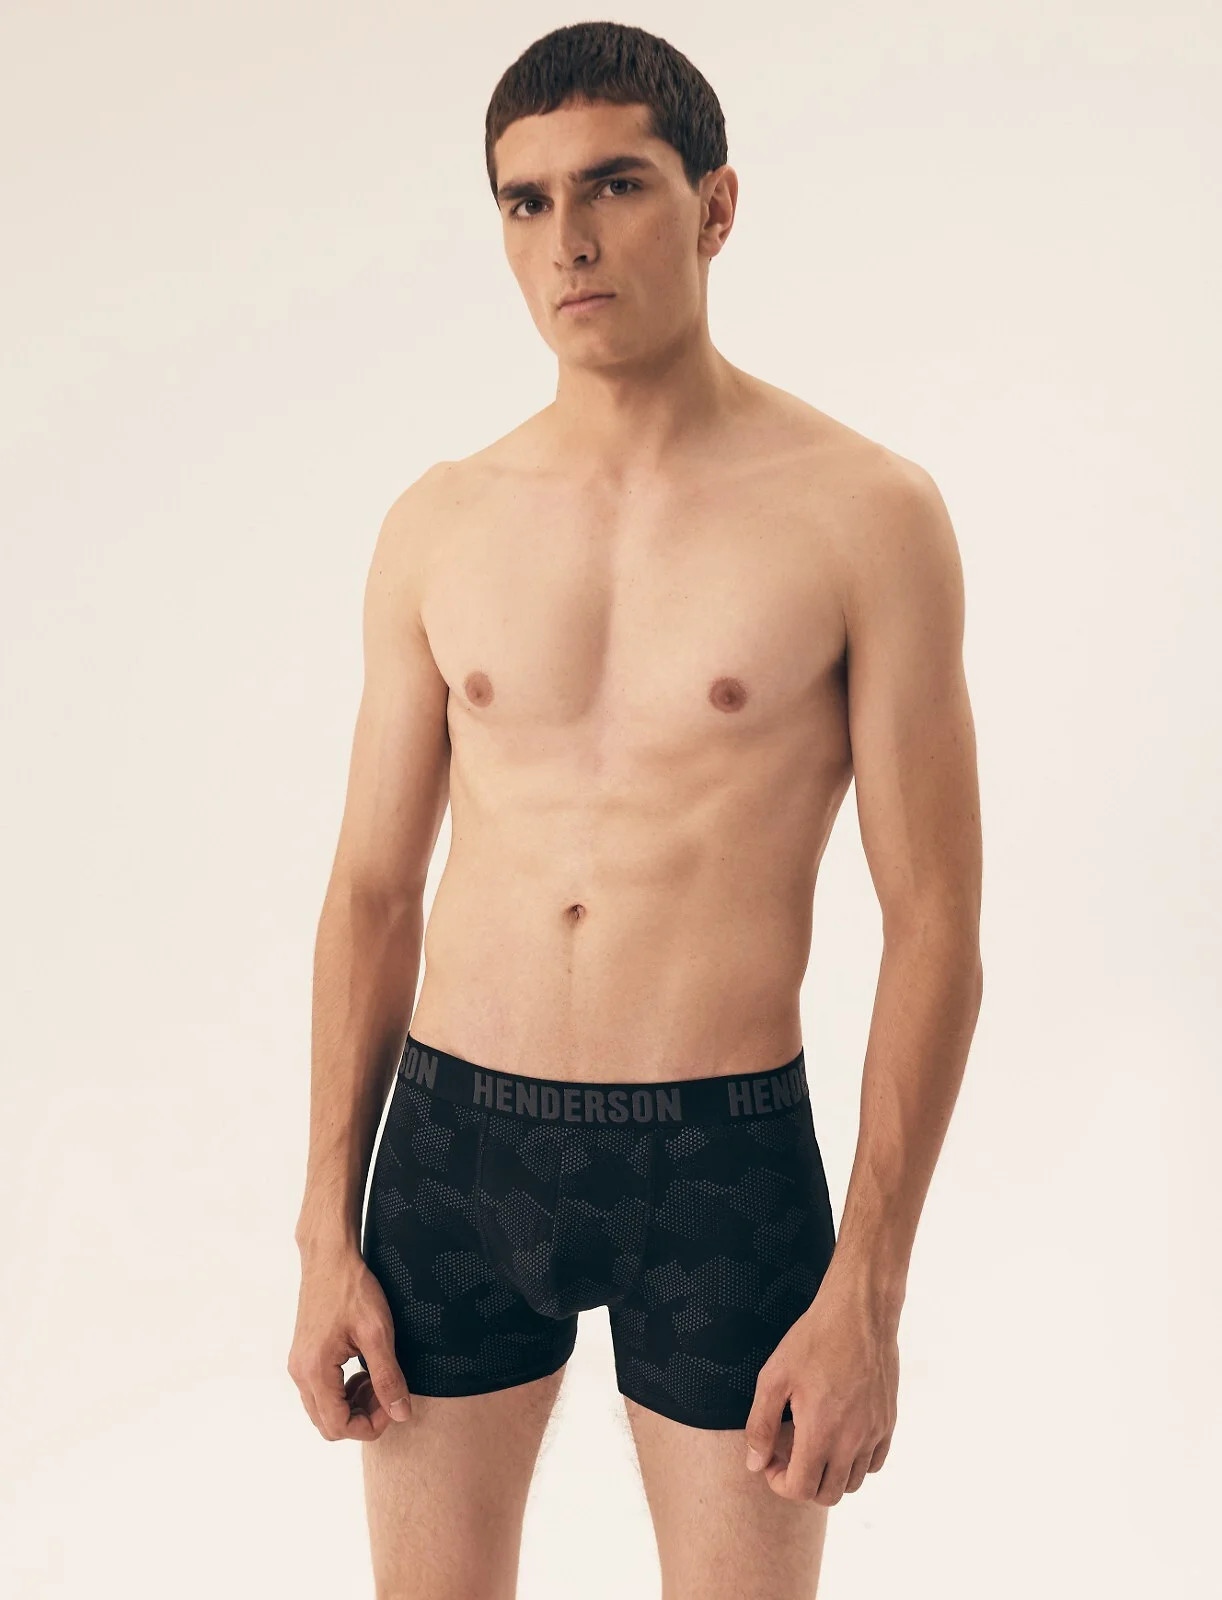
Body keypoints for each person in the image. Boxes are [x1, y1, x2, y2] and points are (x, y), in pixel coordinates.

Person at [288, 19, 984, 1599]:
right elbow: (371, 894)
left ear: (714, 206)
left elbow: (935, 919)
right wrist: (323, 1231)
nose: (568, 240)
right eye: (525, 201)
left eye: (613, 184)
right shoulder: (438, 522)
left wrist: (868, 1290)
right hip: (452, 1150)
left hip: (719, 1159)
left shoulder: (864, 514)